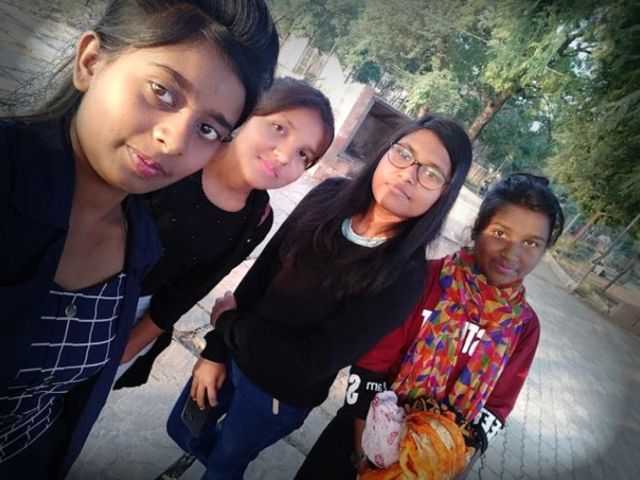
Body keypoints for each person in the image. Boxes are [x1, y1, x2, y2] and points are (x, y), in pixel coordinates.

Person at [0, 1, 278, 478]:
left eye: (208, 128)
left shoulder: (138, 245)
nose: (176, 140)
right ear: (91, 61)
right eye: (162, 92)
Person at [164, 114, 473, 479]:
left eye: (431, 174)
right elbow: (262, 273)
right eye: (404, 154)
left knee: (223, 466)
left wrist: (228, 323)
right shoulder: (329, 195)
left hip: (274, 396)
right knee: (181, 428)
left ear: (444, 193)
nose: (408, 174)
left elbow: (309, 363)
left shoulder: (404, 276)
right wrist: (216, 349)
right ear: (386, 152)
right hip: (232, 352)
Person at [296, 173, 565, 479]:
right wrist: (364, 452)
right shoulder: (422, 279)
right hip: (359, 435)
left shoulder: (524, 327)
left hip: (430, 466)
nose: (512, 253)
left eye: (531, 243)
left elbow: (495, 407)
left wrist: (456, 465)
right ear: (477, 229)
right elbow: (372, 362)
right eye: (500, 233)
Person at [114, 77, 335, 388]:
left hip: (135, 316)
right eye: (279, 128)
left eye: (304, 155)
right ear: (246, 113)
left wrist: (129, 349)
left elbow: (191, 288)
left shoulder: (258, 218)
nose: (285, 156)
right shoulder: (180, 150)